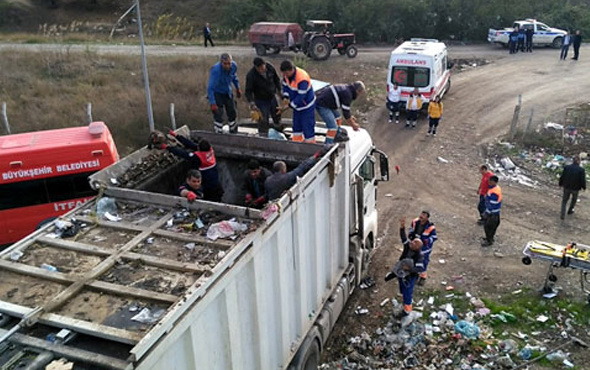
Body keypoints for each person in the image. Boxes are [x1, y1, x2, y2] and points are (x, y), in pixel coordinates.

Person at [160, 130, 224, 202]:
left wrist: (168, 147)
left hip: (209, 187)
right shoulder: (209, 151)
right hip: (216, 185)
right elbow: (191, 144)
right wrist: (176, 136)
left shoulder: (198, 158)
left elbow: (183, 153)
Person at [385, 217, 425, 320]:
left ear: (418, 247)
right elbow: (404, 238)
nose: (412, 242)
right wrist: (402, 228)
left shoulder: (419, 256)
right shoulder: (408, 247)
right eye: (413, 241)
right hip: (401, 273)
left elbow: (420, 269)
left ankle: (407, 310)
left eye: (415, 243)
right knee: (402, 288)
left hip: (410, 277)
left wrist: (409, 269)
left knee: (408, 291)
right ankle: (403, 297)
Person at [279, 60, 316, 143]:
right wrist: (285, 97)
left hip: (306, 107)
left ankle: (311, 148)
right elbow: (285, 86)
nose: (284, 75)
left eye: (286, 73)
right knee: (296, 129)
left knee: (308, 129)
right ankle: (296, 147)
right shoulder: (286, 76)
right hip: (297, 108)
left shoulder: (302, 78)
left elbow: (301, 97)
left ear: (291, 70)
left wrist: (288, 106)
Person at [245, 57, 282, 137]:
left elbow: (276, 79)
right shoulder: (251, 75)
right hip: (261, 101)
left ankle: (278, 134)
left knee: (277, 116)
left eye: (263, 67)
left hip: (273, 97)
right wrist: (252, 104)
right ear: (256, 67)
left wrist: (280, 91)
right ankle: (263, 137)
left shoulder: (270, 68)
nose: (262, 69)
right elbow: (248, 91)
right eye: (260, 68)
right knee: (263, 121)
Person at [207, 53, 241, 134]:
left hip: (227, 92)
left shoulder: (233, 66)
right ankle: (218, 131)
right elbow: (210, 87)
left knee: (232, 111)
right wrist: (212, 103)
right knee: (218, 113)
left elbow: (234, 77)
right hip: (217, 92)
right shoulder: (216, 70)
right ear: (221, 63)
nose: (227, 66)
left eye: (229, 63)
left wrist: (237, 87)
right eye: (225, 64)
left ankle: (233, 130)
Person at [409, 211, 437, 285]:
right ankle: (415, 275)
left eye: (424, 215)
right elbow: (411, 228)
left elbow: (434, 237)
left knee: (424, 262)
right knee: (413, 261)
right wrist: (411, 235)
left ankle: (423, 277)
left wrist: (426, 241)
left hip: (424, 249)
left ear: (427, 218)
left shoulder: (431, 227)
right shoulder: (415, 221)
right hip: (415, 246)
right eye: (421, 214)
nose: (421, 216)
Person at [559, 155, 586, 219]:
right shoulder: (581, 170)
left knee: (564, 201)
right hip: (575, 188)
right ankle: (570, 210)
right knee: (574, 200)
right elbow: (582, 180)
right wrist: (584, 187)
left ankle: (562, 214)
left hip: (567, 187)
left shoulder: (567, 167)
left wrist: (560, 184)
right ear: (579, 161)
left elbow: (562, 176)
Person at [481, 175, 502, 247]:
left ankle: (489, 240)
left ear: (494, 182)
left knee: (488, 226)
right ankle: (490, 238)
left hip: (493, 213)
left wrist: (487, 212)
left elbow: (492, 204)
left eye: (490, 181)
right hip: (496, 213)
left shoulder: (494, 192)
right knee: (492, 227)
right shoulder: (496, 188)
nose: (489, 182)